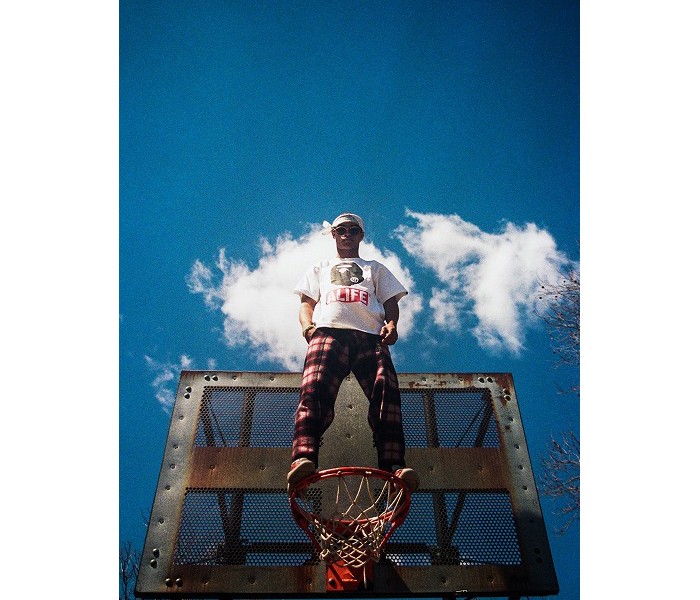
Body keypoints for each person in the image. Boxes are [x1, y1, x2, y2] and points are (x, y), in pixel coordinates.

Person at [287, 212, 418, 493]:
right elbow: (306, 303)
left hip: (370, 336)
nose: (347, 234)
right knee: (314, 389)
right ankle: (303, 459)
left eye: (353, 230)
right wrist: (308, 327)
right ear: (333, 234)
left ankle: (393, 466)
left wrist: (392, 324)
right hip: (328, 331)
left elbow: (390, 302)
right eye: (342, 230)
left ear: (361, 235)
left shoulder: (374, 268)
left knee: (386, 392)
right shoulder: (320, 267)